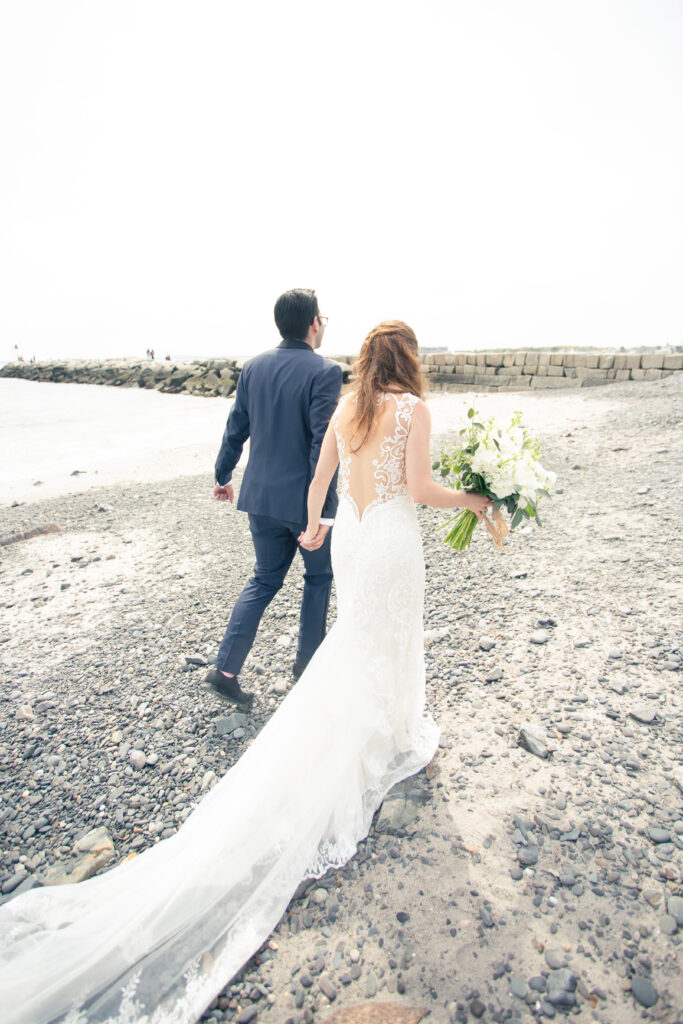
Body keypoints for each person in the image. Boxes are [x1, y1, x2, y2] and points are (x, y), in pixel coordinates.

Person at [0, 321, 491, 1024]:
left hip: (351, 536)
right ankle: (386, 732)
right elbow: (416, 487)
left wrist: (318, 523)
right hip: (386, 541)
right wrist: (473, 499)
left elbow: (324, 475)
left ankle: (376, 726)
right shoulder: (411, 409)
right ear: (407, 361)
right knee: (383, 637)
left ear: (362, 360)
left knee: (358, 637)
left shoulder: (349, 408)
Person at [205, 288, 342, 706]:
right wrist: (325, 512)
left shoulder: (254, 367)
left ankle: (225, 671)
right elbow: (323, 444)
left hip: (259, 497)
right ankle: (308, 669)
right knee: (318, 577)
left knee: (264, 578)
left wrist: (223, 474)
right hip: (304, 503)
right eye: (323, 318)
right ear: (313, 323)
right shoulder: (326, 371)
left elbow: (236, 426)